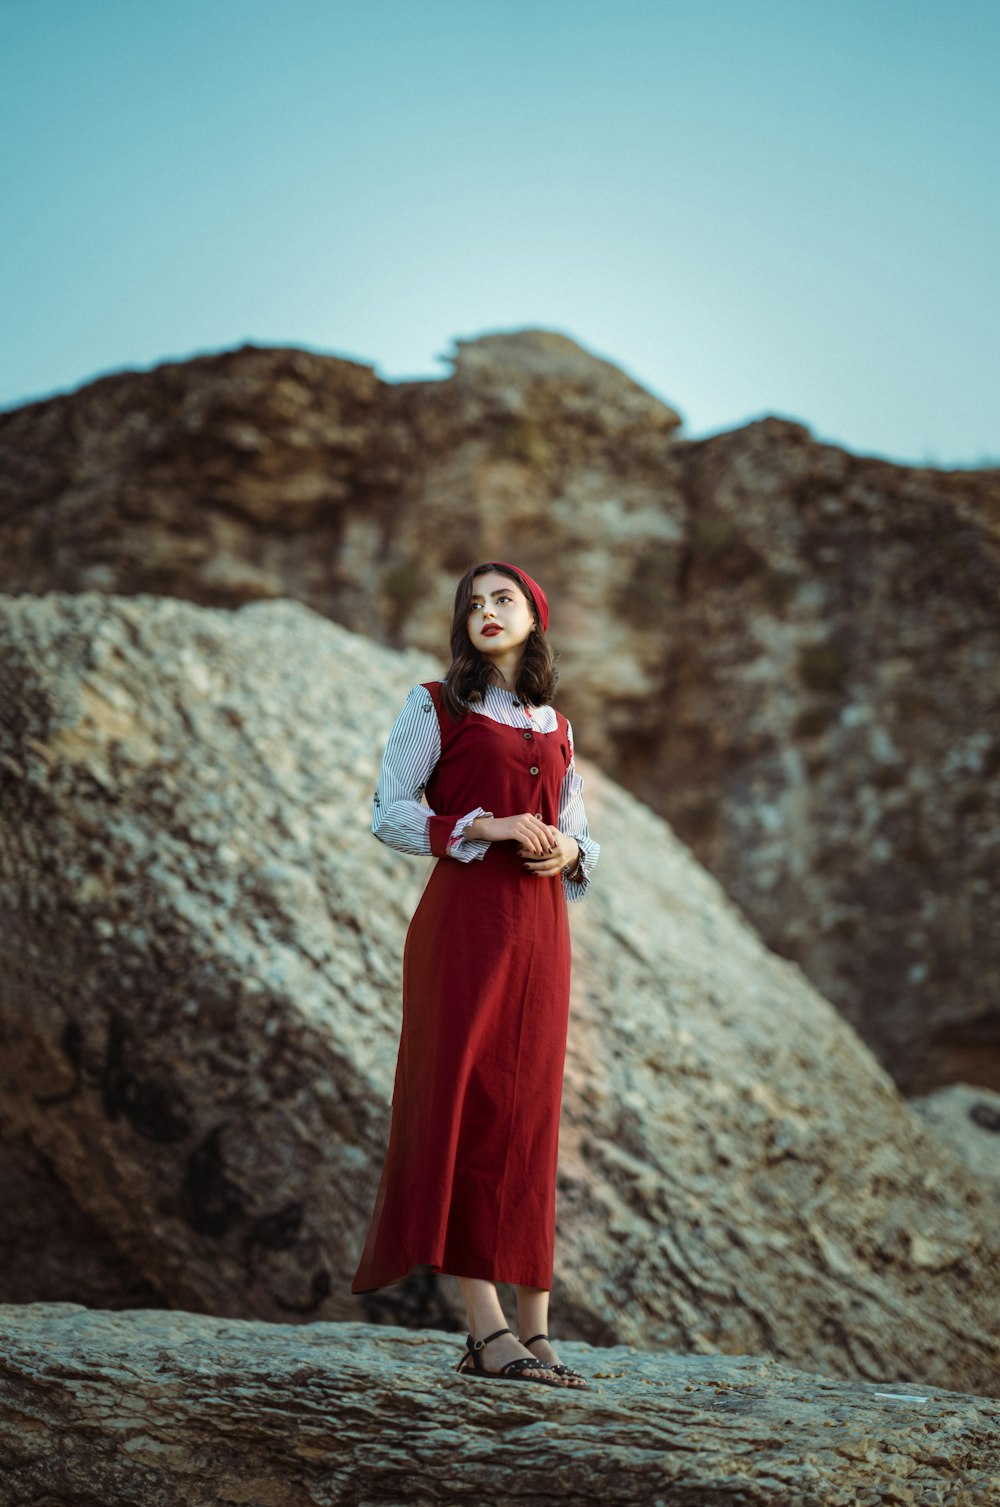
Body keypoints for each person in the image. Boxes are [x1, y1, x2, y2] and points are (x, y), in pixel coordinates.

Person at [351, 561, 600, 1388]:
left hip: (541, 936)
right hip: (464, 928)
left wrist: (569, 849)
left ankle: (535, 1330)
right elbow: (389, 810)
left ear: (535, 616)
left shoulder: (556, 724)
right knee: (466, 1104)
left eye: (505, 599)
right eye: (473, 603)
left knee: (529, 1116)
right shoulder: (437, 704)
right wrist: (486, 823)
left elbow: (579, 834)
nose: (487, 612)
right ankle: (483, 1325)